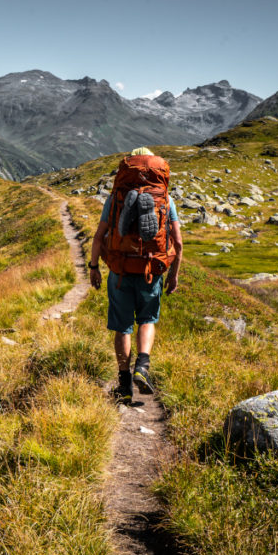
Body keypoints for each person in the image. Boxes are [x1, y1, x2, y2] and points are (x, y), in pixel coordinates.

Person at [88, 147, 183, 403]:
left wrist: (94, 267)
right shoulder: (165, 199)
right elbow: (178, 242)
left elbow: (99, 237)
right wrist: (173, 275)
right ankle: (142, 367)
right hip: (151, 270)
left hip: (119, 270)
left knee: (122, 328)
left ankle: (124, 384)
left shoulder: (116, 197)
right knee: (147, 320)